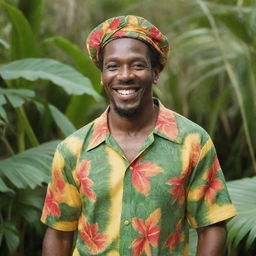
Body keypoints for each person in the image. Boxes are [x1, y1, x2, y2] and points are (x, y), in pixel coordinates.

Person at [41, 15, 236, 256]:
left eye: (137, 65)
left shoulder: (192, 142)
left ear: (155, 72)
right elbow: (59, 234)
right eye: (113, 66)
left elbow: (212, 227)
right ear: (102, 76)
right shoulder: (73, 149)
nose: (125, 75)